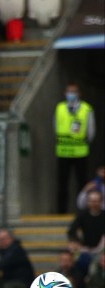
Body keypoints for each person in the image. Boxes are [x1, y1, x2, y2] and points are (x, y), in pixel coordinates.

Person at [55, 84, 96, 214]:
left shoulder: (86, 108)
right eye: (69, 91)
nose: (71, 94)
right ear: (65, 93)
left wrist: (83, 142)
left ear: (79, 93)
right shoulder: (60, 108)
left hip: (80, 152)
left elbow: (91, 131)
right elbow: (56, 127)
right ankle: (62, 211)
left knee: (82, 183)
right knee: (62, 183)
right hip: (63, 152)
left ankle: (83, 210)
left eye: (74, 91)